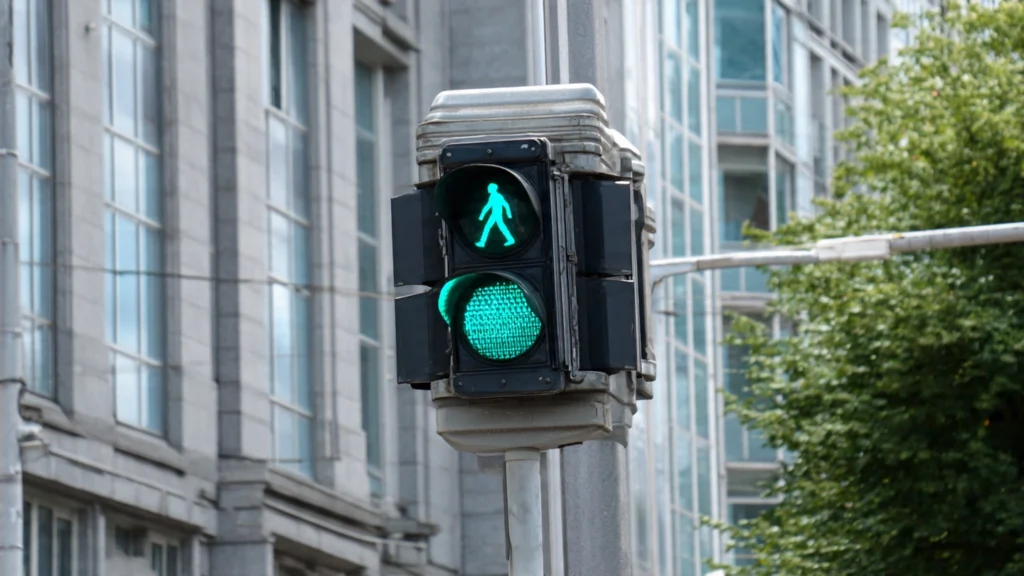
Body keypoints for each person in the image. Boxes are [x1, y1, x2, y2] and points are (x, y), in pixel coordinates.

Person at [475, 183, 515, 247]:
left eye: (489, 187)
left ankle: (482, 242)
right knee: (496, 227)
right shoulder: (493, 196)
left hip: (497, 214)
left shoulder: (497, 196)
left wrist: (509, 214)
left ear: (493, 189)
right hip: (495, 214)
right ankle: (511, 240)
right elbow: (488, 206)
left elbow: (505, 204)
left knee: (490, 227)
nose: (488, 188)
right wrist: (482, 215)